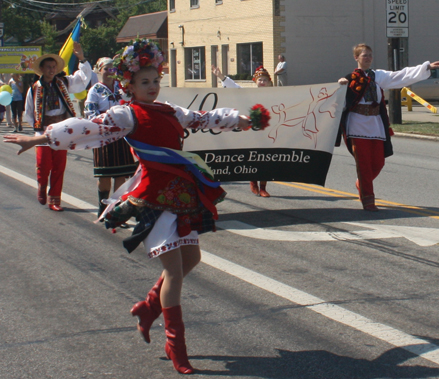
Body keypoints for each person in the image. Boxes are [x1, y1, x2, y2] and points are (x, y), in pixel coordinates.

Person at [5, 39, 255, 375]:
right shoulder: (126, 114)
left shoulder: (170, 110)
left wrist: (238, 119)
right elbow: (86, 128)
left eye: (155, 81)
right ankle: (175, 344)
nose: (151, 87)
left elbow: (201, 117)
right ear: (130, 86)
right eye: (144, 82)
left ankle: (148, 308)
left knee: (191, 258)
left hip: (181, 194)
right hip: (154, 197)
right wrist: (39, 138)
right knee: (174, 272)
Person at [337, 43, 439, 211]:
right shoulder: (349, 78)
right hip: (357, 126)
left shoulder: (378, 76)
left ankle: (361, 183)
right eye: (365, 55)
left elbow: (401, 76)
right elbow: (338, 98)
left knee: (378, 163)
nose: (369, 58)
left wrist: (426, 67)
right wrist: (341, 84)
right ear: (356, 58)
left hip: (375, 126)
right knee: (363, 164)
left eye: (370, 55)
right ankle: (368, 201)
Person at [24, 42, 92, 212]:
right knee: (44, 164)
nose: (52, 70)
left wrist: (82, 59)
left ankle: (55, 199)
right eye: (49, 67)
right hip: (44, 130)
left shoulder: (63, 83)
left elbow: (82, 80)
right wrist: (38, 128)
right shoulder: (34, 89)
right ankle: (41, 185)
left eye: (54, 67)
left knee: (59, 166)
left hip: (62, 130)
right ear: (42, 68)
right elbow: (29, 112)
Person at [84, 57, 137, 218]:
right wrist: (104, 122)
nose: (109, 72)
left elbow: (131, 104)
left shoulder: (122, 88)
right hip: (103, 136)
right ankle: (103, 205)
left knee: (121, 174)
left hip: (121, 136)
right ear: (99, 70)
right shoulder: (95, 90)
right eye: (106, 69)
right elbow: (90, 112)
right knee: (104, 174)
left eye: (112, 69)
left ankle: (115, 209)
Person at [211, 64, 272, 197]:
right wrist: (221, 76)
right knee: (254, 157)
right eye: (260, 79)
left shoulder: (274, 95)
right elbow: (235, 88)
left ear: (269, 82)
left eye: (264, 80)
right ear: (255, 81)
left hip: (267, 131)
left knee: (266, 159)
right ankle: (253, 182)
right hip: (252, 132)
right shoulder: (248, 94)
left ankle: (263, 187)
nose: (262, 82)